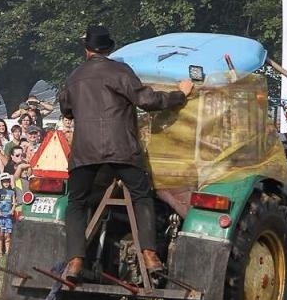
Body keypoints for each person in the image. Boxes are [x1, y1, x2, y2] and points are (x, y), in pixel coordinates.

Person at [59, 24, 194, 285]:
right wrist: (180, 94)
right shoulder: (120, 72)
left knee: (76, 204)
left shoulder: (74, 77)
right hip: (122, 150)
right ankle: (150, 256)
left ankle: (75, 261)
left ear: (86, 50)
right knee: (142, 197)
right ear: (108, 49)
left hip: (85, 154)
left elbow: (67, 110)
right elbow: (149, 101)